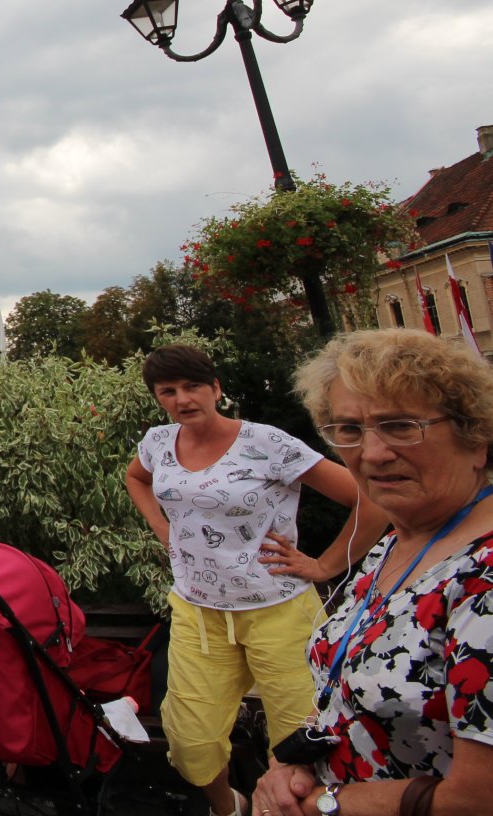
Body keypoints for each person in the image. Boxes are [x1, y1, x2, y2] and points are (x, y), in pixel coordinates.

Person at [124, 344, 387, 816]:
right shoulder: (158, 442)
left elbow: (371, 499)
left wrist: (325, 566)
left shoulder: (267, 443)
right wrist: (162, 527)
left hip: (279, 610)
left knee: (299, 742)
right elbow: (136, 478)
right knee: (190, 740)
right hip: (198, 610)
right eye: (168, 391)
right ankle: (229, 807)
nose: (182, 399)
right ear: (158, 397)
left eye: (193, 386)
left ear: (216, 388)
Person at [254, 329, 493, 816]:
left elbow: (477, 797)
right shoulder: (399, 543)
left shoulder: (483, 576)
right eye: (349, 430)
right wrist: (291, 768)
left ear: (477, 439)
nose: (372, 453)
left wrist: (325, 804)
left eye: (401, 426)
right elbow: (348, 689)